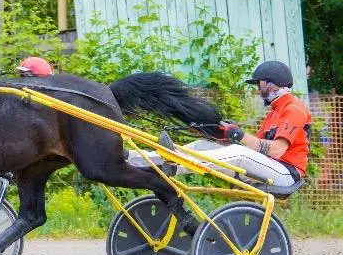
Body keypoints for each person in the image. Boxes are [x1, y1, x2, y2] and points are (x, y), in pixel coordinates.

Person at [129, 61, 311, 189]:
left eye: (259, 84)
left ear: (271, 84)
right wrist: (221, 135)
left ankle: (175, 165)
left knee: (239, 153)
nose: (258, 90)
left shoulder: (294, 108)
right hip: (271, 167)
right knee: (203, 145)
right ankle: (133, 159)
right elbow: (258, 149)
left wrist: (238, 135)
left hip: (286, 174)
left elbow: (277, 150)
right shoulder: (274, 112)